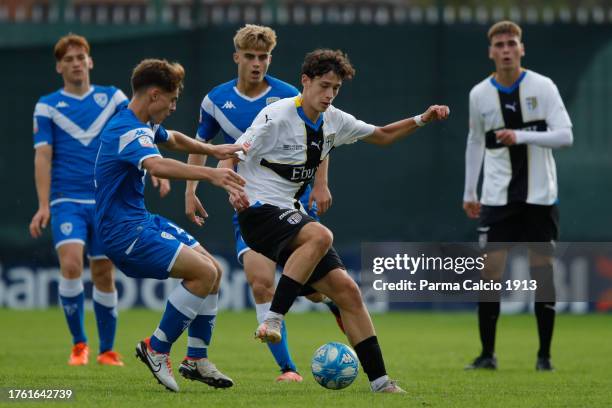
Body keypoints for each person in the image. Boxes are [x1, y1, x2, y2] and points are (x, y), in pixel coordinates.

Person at [221, 48, 449, 393]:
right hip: (257, 212)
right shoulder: (276, 116)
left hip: (289, 214)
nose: (329, 94)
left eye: (336, 88)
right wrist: (230, 188)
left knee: (348, 292)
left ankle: (381, 382)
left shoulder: (334, 120)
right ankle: (273, 317)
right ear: (305, 82)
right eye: (324, 86)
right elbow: (230, 155)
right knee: (320, 235)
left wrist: (422, 119)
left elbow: (383, 135)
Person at [184, 24, 342, 383]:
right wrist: (190, 190)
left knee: (315, 293)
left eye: (264, 57)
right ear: (236, 57)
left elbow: (322, 137)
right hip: (251, 207)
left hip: (294, 204)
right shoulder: (215, 100)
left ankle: (330, 300)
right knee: (260, 283)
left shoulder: (289, 96)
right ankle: (287, 368)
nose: (258, 64)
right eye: (251, 56)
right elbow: (202, 147)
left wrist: (320, 183)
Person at [94, 58, 249, 392]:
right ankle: (156, 348)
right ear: (153, 95)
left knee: (215, 272)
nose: (174, 106)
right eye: (172, 99)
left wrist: (211, 148)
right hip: (123, 234)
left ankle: (195, 359)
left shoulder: (142, 121)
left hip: (139, 221)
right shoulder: (128, 129)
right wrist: (212, 173)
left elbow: (172, 139)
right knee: (204, 274)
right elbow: (158, 166)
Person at [29, 34, 149, 367]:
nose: (76, 63)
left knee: (103, 273)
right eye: (68, 59)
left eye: (81, 57)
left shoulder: (113, 98)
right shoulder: (48, 105)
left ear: (90, 61)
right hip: (66, 199)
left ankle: (107, 350)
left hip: (105, 199)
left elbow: (137, 133)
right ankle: (79, 344)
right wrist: (42, 205)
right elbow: (43, 156)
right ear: (59, 67)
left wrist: (158, 171)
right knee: (70, 265)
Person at [462, 21, 573, 371]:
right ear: (491, 52)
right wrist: (470, 190)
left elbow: (565, 136)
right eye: (500, 44)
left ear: (522, 48)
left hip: (541, 197)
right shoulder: (479, 94)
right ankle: (487, 355)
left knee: (543, 273)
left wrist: (521, 136)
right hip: (497, 198)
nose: (506, 49)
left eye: (512, 43)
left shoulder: (544, 86)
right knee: (489, 272)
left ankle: (544, 357)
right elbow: (475, 141)